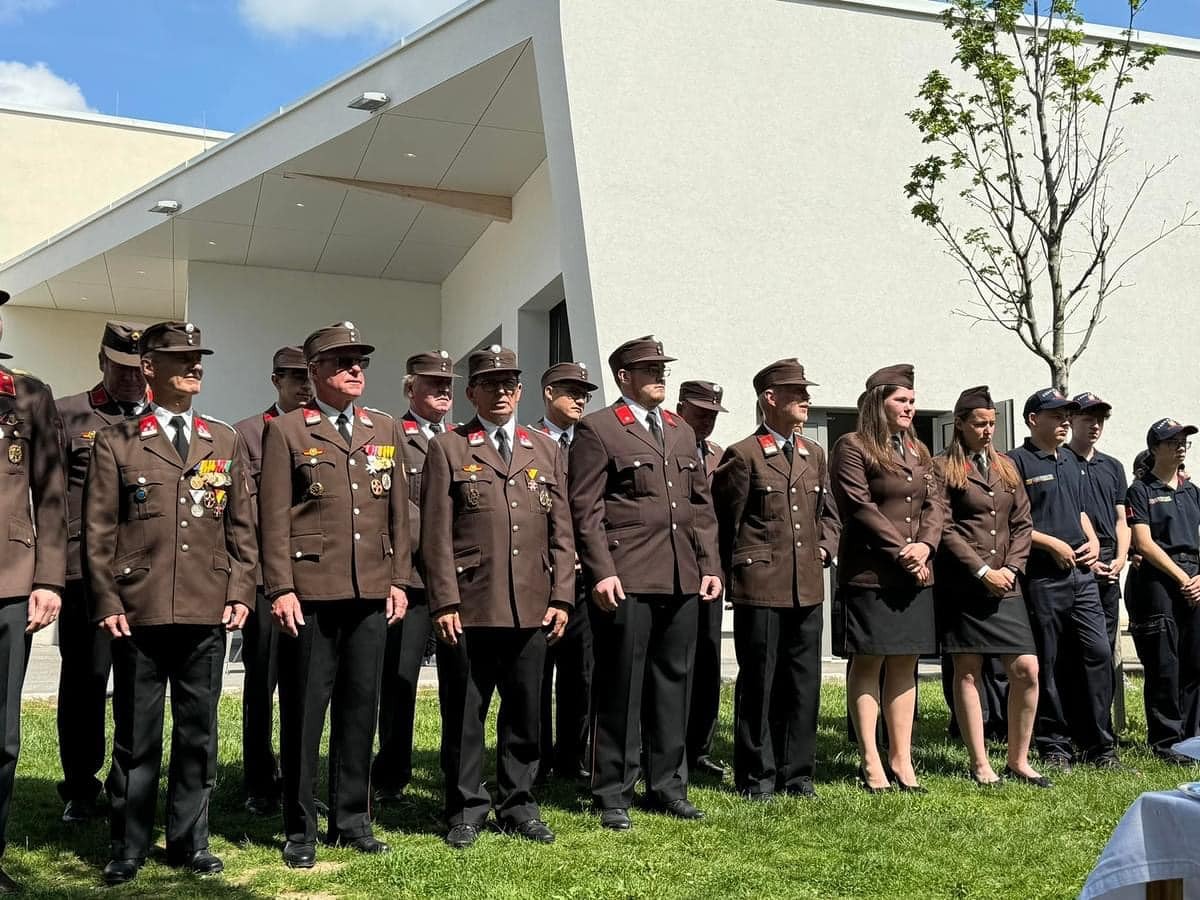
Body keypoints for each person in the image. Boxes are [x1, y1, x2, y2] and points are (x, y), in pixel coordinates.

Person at [84, 321, 256, 885]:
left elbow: (242, 528)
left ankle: (190, 841)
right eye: (181, 358)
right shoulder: (117, 441)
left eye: (198, 357)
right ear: (149, 368)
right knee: (136, 733)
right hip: (140, 607)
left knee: (198, 731)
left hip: (207, 605)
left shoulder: (223, 440)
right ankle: (128, 843)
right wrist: (107, 599)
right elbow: (98, 531)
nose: (194, 366)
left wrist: (240, 589)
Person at [259, 321, 410, 868]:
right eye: (343, 362)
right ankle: (300, 828)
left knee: (360, 708)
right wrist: (280, 587)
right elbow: (273, 517)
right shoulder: (288, 431)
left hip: (370, 589)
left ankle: (352, 820)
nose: (355, 370)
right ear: (314, 371)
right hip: (311, 592)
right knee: (304, 712)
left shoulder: (383, 427)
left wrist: (398, 580)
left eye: (360, 362)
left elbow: (398, 514)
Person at [422, 345, 574, 848]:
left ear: (522, 390)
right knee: (466, 712)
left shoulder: (545, 449)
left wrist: (562, 596)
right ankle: (465, 808)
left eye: (509, 383)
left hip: (531, 602)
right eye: (490, 384)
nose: (501, 391)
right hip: (471, 603)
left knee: (526, 711)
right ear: (471, 393)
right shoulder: (449, 447)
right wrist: (444, 601)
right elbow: (435, 535)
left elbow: (562, 531)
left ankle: (519, 804)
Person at [569, 335, 723, 831]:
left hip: (680, 576)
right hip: (628, 576)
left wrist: (709, 566)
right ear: (623, 377)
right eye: (650, 369)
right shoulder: (599, 429)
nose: (660, 376)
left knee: (673, 682)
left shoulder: (680, 430)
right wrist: (601, 571)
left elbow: (700, 506)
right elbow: (585, 509)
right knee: (620, 684)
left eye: (662, 369)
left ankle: (668, 785)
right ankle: (613, 790)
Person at [711, 359, 838, 800]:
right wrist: (728, 577)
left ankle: (797, 774)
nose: (806, 399)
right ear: (770, 398)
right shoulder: (743, 454)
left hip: (807, 584)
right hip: (761, 584)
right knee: (760, 683)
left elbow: (829, 515)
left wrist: (825, 548)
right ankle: (757, 776)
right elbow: (724, 523)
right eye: (796, 392)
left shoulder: (813, 453)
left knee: (803, 683)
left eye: (806, 391)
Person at [830, 364, 943, 793]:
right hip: (871, 573)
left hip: (915, 573)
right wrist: (902, 551)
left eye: (913, 401)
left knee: (905, 663)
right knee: (869, 661)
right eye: (901, 400)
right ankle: (871, 759)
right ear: (879, 402)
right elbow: (859, 507)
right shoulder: (853, 445)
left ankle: (902, 758)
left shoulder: (918, 449)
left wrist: (925, 546)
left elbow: (935, 505)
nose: (910, 407)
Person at [54, 321, 150, 824]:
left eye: (138, 370)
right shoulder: (69, 414)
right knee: (85, 683)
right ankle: (80, 786)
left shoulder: (162, 419)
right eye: (121, 368)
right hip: (84, 576)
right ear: (101, 362)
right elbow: (49, 499)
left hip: (146, 574)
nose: (132, 378)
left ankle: (129, 785)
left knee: (139, 685)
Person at [933, 386, 1049, 788]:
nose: (987, 431)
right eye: (980, 424)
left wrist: (1012, 568)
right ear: (960, 424)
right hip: (965, 586)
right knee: (968, 671)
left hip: (1007, 584)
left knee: (1026, 669)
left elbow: (1023, 523)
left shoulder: (1006, 466)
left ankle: (1019, 759)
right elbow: (944, 528)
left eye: (992, 423)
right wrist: (982, 571)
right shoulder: (942, 467)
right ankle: (980, 762)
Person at [1008, 389, 1117, 770]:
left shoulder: (1070, 459)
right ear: (1033, 419)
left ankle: (1099, 746)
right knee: (1050, 662)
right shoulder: (1015, 462)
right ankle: (1054, 746)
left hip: (1082, 576)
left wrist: (1092, 540)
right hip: (1043, 578)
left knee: (1097, 654)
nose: (1065, 422)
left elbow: (1081, 510)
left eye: (1067, 416)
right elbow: (1013, 523)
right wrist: (1051, 544)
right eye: (1056, 416)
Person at [0, 289, 67, 893]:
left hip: (10, 582)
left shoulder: (26, 395)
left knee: (2, 735)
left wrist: (48, 578)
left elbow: (50, 493)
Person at [372, 350, 455, 804]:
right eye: (432, 384)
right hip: (415, 579)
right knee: (400, 682)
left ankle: (457, 770)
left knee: (460, 683)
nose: (443, 391)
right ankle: (392, 775)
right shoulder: (392, 437)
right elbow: (396, 510)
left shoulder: (460, 440)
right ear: (410, 389)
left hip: (459, 582)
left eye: (447, 385)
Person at [232, 345, 311, 815]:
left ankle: (301, 778)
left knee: (306, 685)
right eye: (294, 377)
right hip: (265, 579)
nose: (304, 386)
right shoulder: (247, 434)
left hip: (314, 578)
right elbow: (244, 513)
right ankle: (260, 781)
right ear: (276, 381)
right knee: (262, 682)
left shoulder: (321, 430)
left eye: (309, 377)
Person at [530, 361, 598, 784]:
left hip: (584, 576)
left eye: (584, 394)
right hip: (540, 571)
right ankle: (535, 759)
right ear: (548, 393)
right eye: (571, 391)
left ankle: (572, 758)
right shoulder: (528, 441)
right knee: (536, 672)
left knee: (580, 672)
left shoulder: (591, 441)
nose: (580, 400)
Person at [1125, 418, 1200, 764]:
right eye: (1172, 442)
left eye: (1183, 441)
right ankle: (1167, 741)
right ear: (1155, 448)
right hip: (1159, 582)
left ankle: (1193, 738)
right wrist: (1182, 578)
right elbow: (1143, 542)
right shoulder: (1141, 491)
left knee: (1194, 663)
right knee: (1164, 664)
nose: (1180, 446)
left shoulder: (1192, 491)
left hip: (1194, 579)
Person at [676, 380, 729, 780]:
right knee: (673, 662)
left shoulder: (719, 456)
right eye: (700, 413)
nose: (707, 421)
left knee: (708, 661)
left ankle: (700, 747)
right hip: (672, 569)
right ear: (680, 409)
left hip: (711, 571)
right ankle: (662, 745)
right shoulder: (665, 449)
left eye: (713, 414)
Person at [1067, 392, 1130, 701]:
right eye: (1088, 419)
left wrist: (1120, 558)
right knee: (1075, 649)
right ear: (1071, 421)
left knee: (1104, 646)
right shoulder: (1062, 461)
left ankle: (1101, 716)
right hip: (1075, 560)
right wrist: (1087, 560)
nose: (1095, 426)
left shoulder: (1112, 466)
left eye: (1100, 420)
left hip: (1109, 563)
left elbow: (1122, 519)